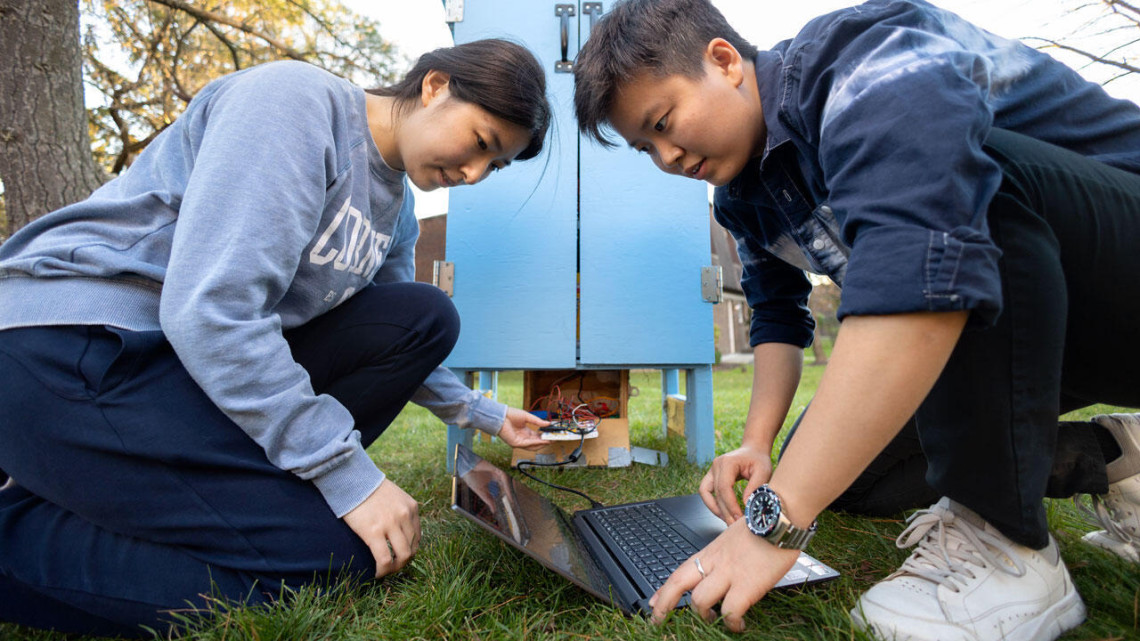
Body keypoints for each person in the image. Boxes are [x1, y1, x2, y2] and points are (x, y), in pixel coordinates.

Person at [573, 0, 1140, 638]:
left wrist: (775, 524)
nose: (667, 157)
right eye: (645, 147)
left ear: (724, 61)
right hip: (1028, 325)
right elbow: (778, 317)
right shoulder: (741, 199)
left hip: (1117, 269)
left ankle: (1008, 546)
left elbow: (921, 257)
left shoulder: (859, 59)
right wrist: (758, 445)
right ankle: (1118, 458)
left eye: (664, 122)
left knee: (969, 183)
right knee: (845, 474)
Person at [0, 39, 552, 637]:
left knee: (425, 314)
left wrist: (486, 415)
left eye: (493, 167)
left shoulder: (396, 210)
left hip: (174, 368)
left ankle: (82, 488)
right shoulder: (295, 102)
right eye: (481, 144)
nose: (473, 174)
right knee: (329, 555)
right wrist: (347, 476)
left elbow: (397, 334)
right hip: (73, 345)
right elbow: (213, 312)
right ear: (436, 85)